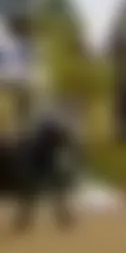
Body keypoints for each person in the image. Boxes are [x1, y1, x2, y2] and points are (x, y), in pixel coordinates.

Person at [11, 87, 78, 233]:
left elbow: (63, 144)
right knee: (41, 191)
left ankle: (61, 218)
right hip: (42, 160)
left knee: (40, 191)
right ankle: (61, 218)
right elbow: (64, 144)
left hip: (44, 161)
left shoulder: (46, 123)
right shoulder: (49, 124)